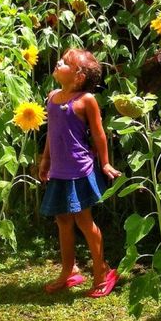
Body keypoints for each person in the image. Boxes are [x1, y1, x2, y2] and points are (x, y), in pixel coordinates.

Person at [39, 48, 121, 298]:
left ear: (79, 77)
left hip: (79, 170)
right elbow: (51, 134)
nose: (58, 63)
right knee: (62, 220)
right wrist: (45, 160)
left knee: (84, 221)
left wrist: (105, 163)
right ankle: (68, 271)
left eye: (65, 63)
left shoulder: (86, 100)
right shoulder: (52, 97)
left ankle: (102, 272)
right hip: (59, 170)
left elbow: (99, 134)